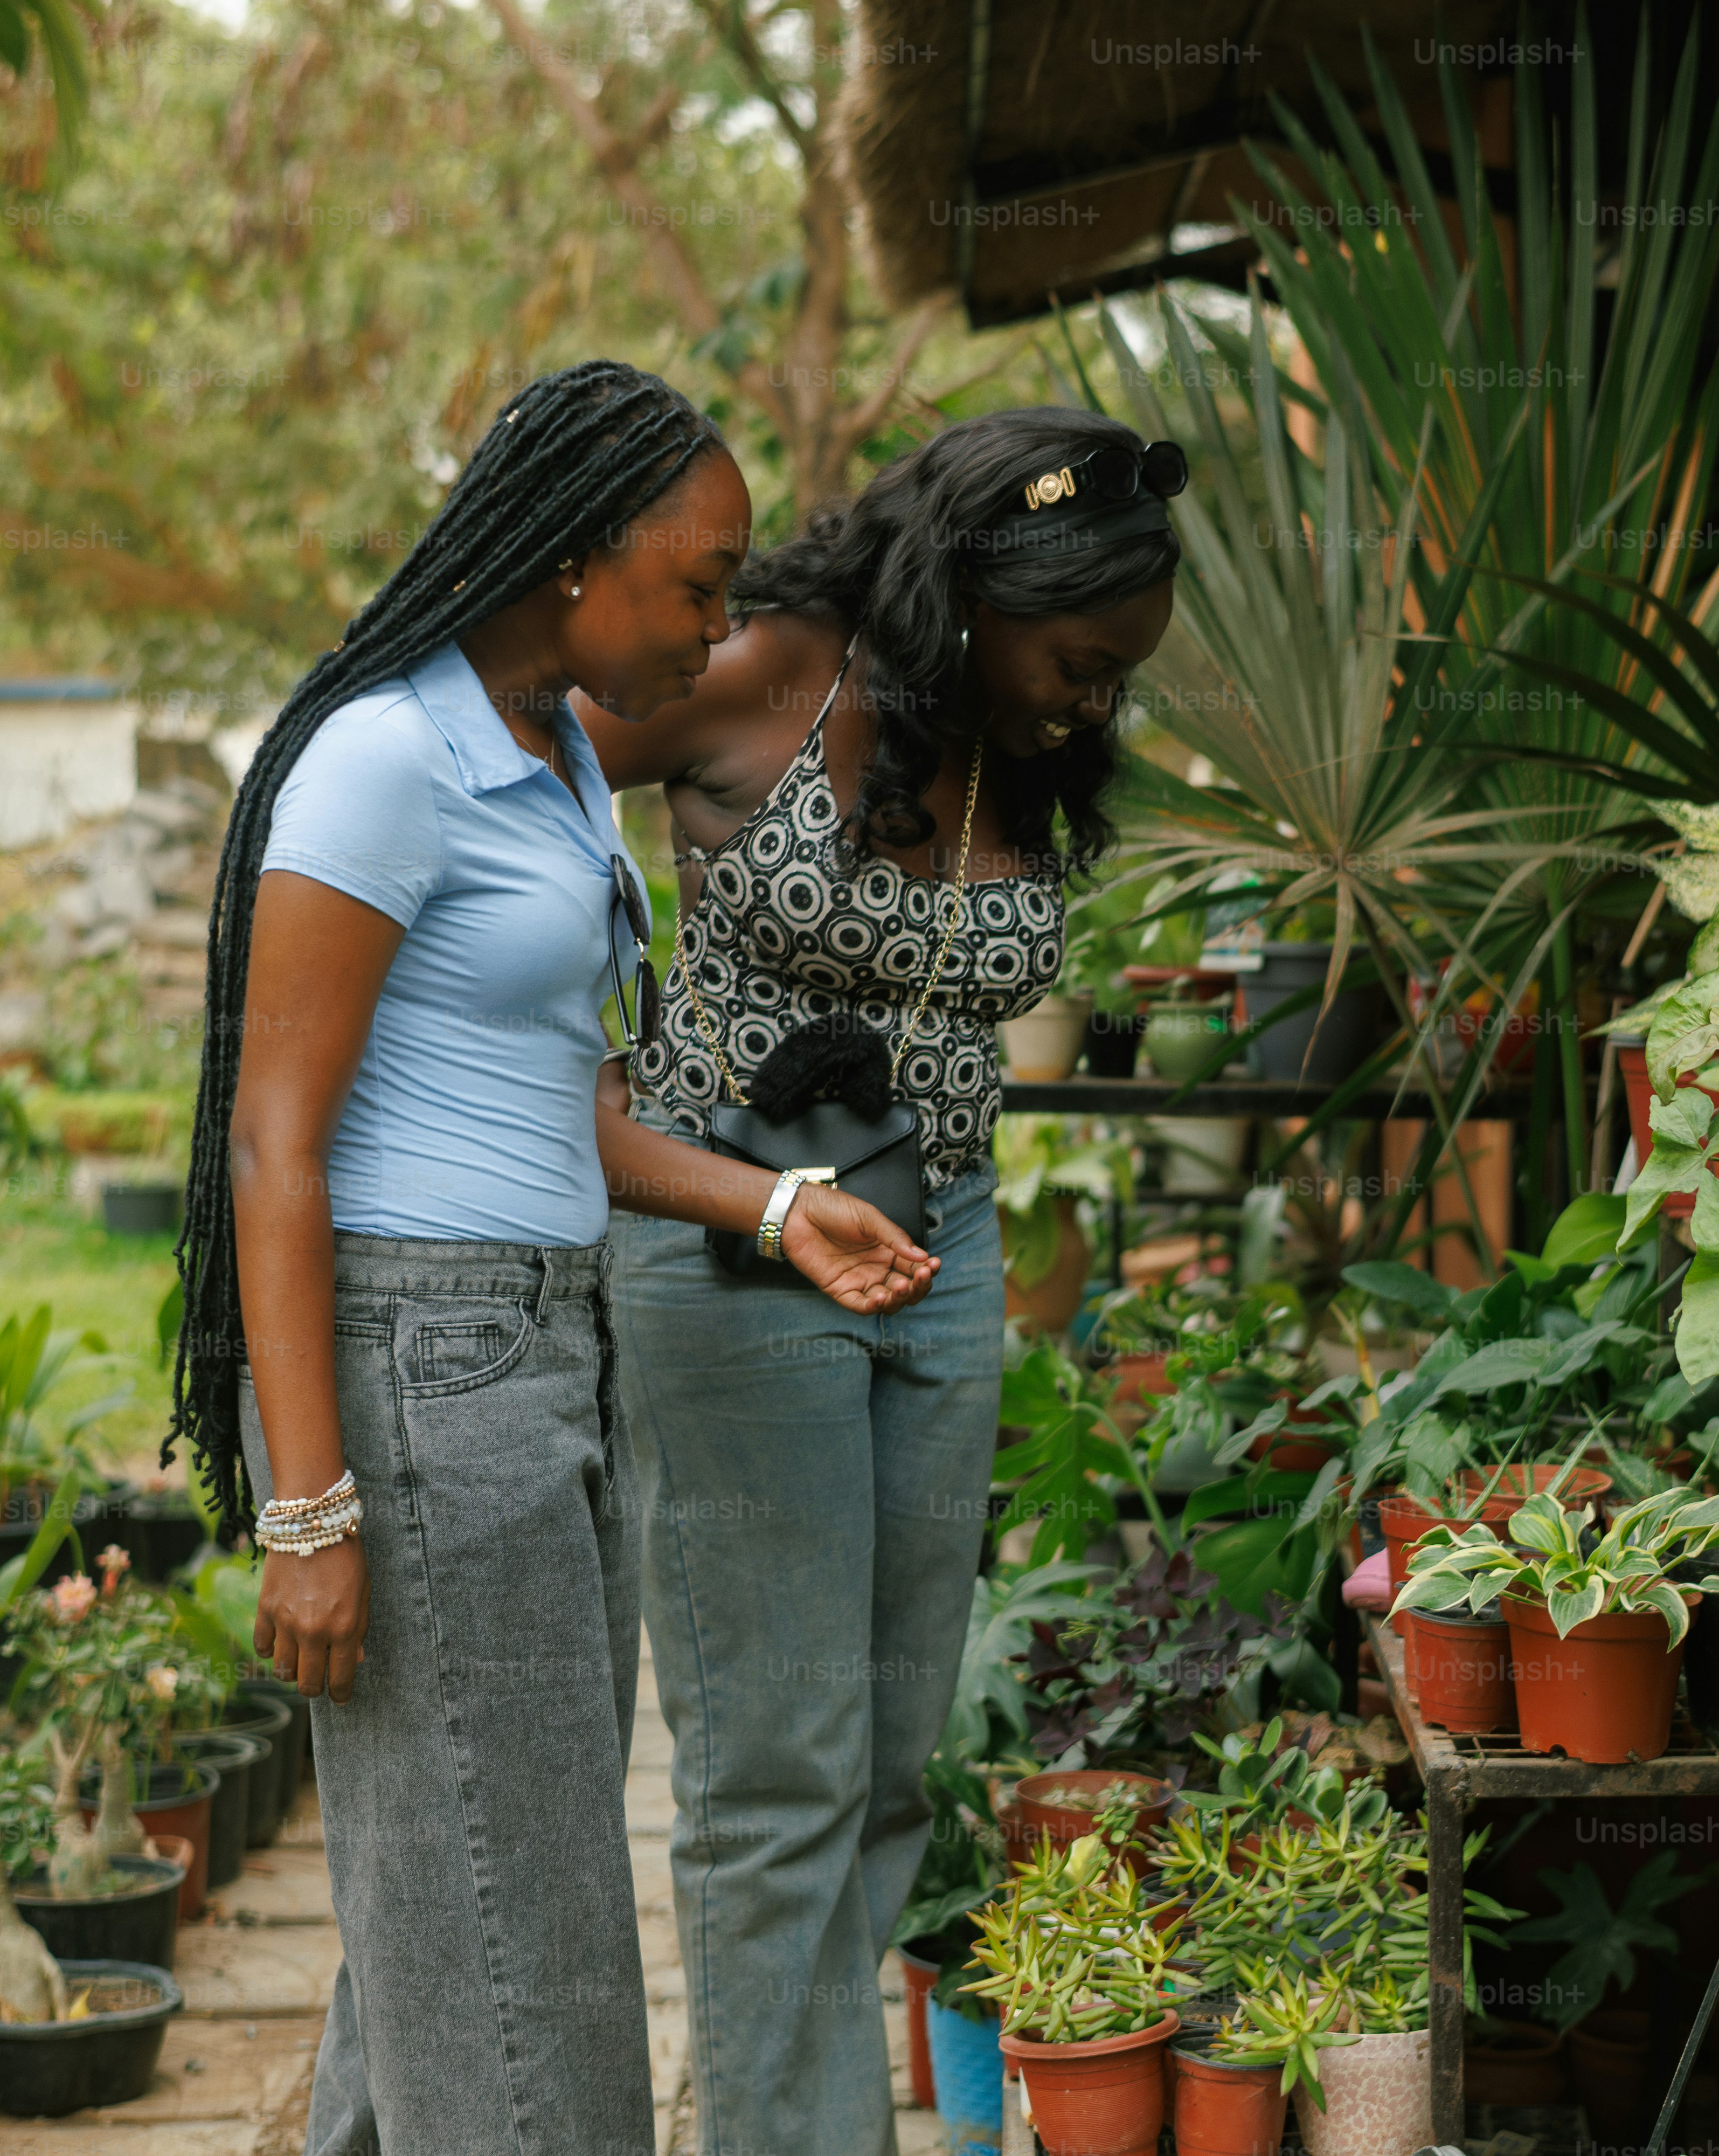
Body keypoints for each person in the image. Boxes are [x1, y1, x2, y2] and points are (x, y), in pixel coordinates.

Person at [164, 360, 938, 2156]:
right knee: (530, 1958)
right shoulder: (381, 760)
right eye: (699, 587)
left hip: (549, 1354)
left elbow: (554, 1105)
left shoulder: (559, 753)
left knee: (458, 1898)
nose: (722, 630)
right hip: (425, 1370)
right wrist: (310, 1508)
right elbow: (274, 1143)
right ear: (572, 563)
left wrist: (766, 1205)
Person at [584, 407, 1183, 2154]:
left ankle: (807, 2119)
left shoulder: (1021, 743)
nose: (1096, 702)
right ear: (973, 600)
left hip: (946, 1243)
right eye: (1079, 661)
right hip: (729, 1243)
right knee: (776, 1775)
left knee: (892, 1758)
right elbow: (494, 831)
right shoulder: (763, 669)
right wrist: (585, 1076)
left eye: (1119, 674)